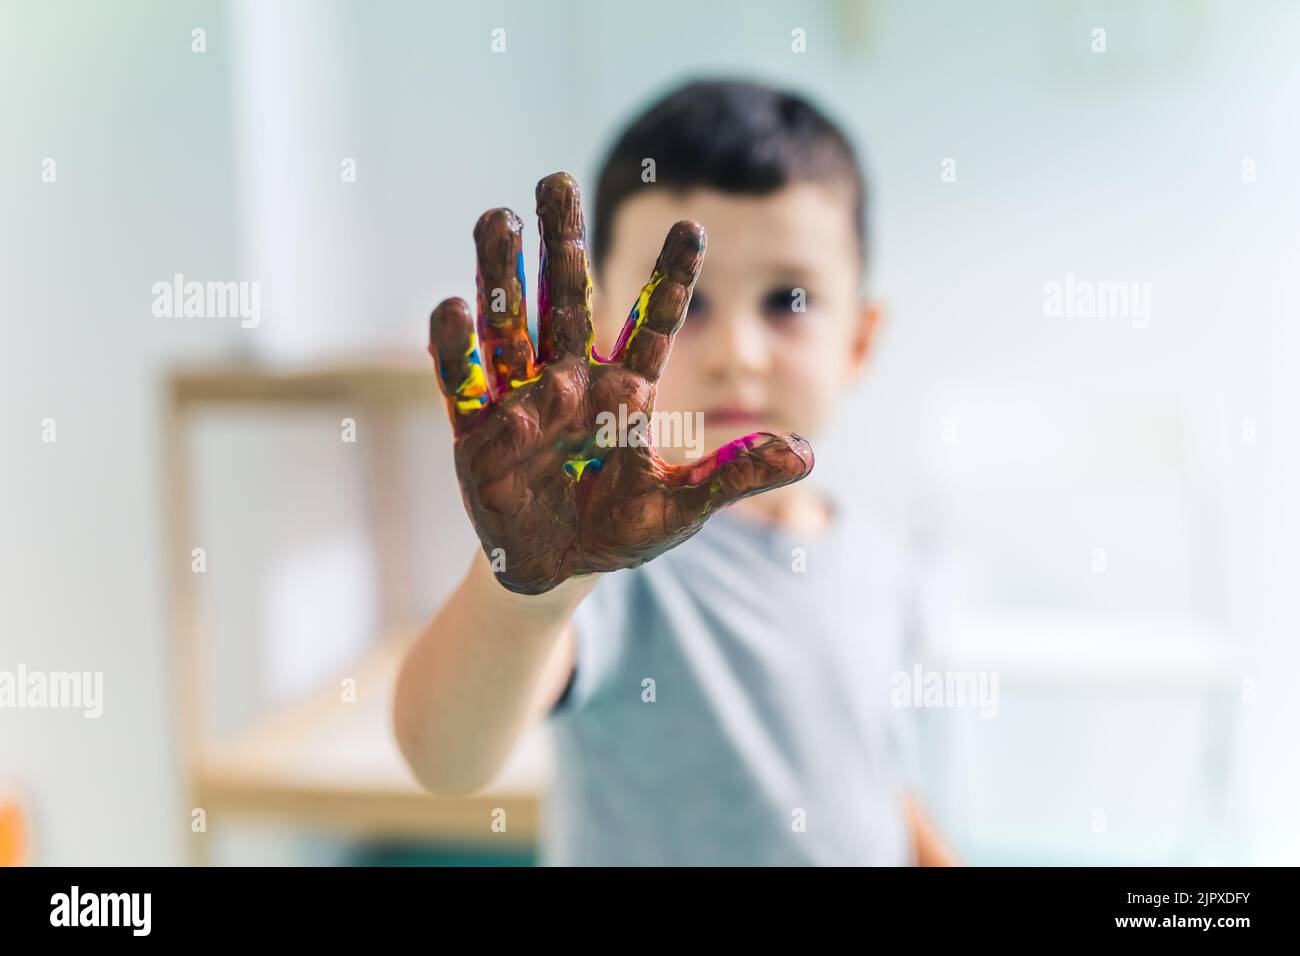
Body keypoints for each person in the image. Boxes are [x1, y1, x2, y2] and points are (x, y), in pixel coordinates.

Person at [395, 78, 956, 866]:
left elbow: (868, 773)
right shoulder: (616, 565)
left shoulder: (884, 562)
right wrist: (529, 597)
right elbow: (443, 755)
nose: (737, 354)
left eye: (787, 298)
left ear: (859, 340)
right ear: (596, 335)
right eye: (688, 304)